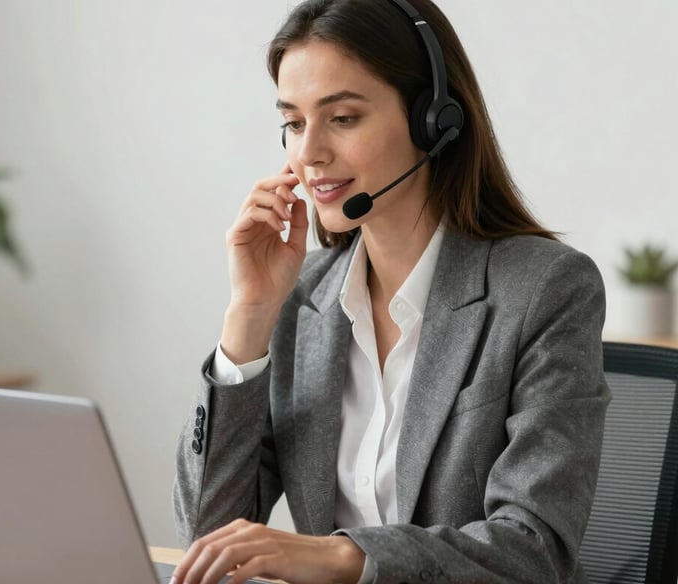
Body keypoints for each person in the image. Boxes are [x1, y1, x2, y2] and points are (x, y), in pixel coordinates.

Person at [172, 0, 610, 582]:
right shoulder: (303, 299)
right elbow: (207, 532)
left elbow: (533, 549)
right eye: (294, 123)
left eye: (343, 118)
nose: (308, 154)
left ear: (434, 119)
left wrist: (343, 556)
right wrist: (248, 318)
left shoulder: (545, 290)